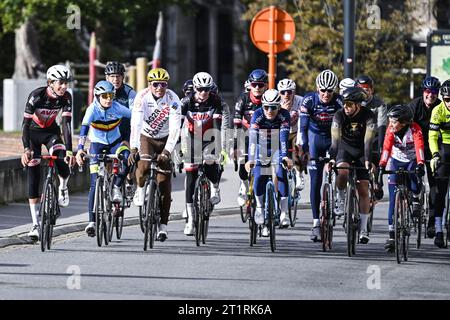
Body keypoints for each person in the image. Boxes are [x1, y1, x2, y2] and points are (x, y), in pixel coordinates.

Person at [21, 65, 75, 241]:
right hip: (33, 135)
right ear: (50, 83)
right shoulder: (36, 96)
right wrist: (26, 149)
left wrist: (69, 150)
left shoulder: (66, 97)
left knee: (61, 157)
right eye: (61, 83)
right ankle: (35, 224)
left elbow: (66, 124)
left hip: (51, 133)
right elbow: (25, 125)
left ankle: (63, 187)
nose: (64, 87)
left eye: (66, 83)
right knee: (33, 172)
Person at [128, 68, 182, 242]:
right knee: (143, 165)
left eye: (163, 84)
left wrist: (167, 151)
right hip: (147, 137)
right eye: (156, 84)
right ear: (149, 84)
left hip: (166, 138)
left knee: (164, 184)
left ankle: (163, 226)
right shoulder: (141, 97)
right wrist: (134, 148)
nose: (159, 88)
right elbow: (135, 124)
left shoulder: (173, 99)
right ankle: (141, 189)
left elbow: (175, 128)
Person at [76, 80, 132, 237]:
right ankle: (92, 222)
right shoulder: (92, 109)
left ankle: (116, 187)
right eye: (105, 96)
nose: (108, 99)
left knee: (127, 157)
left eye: (111, 95)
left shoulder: (118, 108)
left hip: (115, 142)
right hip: (97, 145)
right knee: (94, 184)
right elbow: (83, 131)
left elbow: (135, 117)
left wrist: (131, 139)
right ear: (97, 96)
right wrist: (80, 150)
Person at [180, 72, 230, 235]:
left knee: (210, 161)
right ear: (194, 88)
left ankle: (214, 186)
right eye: (200, 89)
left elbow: (222, 126)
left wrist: (223, 148)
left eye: (207, 89)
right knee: (190, 173)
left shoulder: (217, 101)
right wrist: (177, 148)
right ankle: (190, 218)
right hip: (192, 137)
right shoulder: (186, 102)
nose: (203, 92)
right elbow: (177, 126)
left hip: (211, 136)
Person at [297, 69, 342, 242]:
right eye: (322, 90)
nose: (325, 94)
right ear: (317, 88)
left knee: (340, 168)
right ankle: (316, 223)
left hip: (333, 137)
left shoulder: (339, 101)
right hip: (314, 138)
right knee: (315, 182)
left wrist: (336, 153)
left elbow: (343, 129)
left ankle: (338, 196)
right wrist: (305, 150)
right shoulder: (309, 100)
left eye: (329, 90)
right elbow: (302, 128)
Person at [329, 87, 376, 244]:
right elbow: (335, 141)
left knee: (363, 188)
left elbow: (368, 141)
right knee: (342, 171)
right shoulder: (339, 115)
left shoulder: (369, 115)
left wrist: (368, 160)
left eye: (349, 104)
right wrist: (332, 159)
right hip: (345, 148)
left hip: (363, 150)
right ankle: (341, 197)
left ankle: (363, 228)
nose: (346, 107)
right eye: (344, 104)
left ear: (358, 105)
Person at [244, 89, 293, 236]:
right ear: (262, 106)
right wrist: (250, 159)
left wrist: (285, 157)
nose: (270, 111)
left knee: (281, 172)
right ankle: (259, 207)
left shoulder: (285, 115)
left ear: (279, 106)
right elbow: (252, 140)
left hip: (278, 147)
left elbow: (284, 138)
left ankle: (283, 212)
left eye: (273, 107)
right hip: (261, 147)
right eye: (266, 107)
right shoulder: (257, 115)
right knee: (259, 176)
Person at [378, 104, 425, 251]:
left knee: (413, 176)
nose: (390, 124)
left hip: (412, 160)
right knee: (392, 199)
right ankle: (392, 235)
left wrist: (421, 163)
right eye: (390, 121)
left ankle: (416, 197)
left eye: (394, 121)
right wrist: (382, 165)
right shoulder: (391, 131)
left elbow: (419, 147)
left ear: (404, 122)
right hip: (396, 160)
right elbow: (386, 148)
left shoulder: (415, 129)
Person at [408, 76, 441, 238]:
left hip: (435, 148)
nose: (431, 95)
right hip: (417, 147)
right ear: (423, 92)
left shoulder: (441, 107)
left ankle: (432, 224)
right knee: (411, 172)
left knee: (435, 186)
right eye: (428, 91)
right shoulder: (414, 106)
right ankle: (414, 198)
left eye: (434, 92)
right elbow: (406, 128)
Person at [233, 69, 268, 207]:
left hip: (265, 134)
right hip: (245, 132)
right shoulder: (243, 99)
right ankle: (244, 184)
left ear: (266, 85)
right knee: (243, 161)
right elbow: (235, 121)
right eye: (254, 85)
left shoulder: (269, 97)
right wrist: (235, 144)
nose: (257, 88)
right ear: (250, 85)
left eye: (260, 85)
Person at [428, 79, 450, 248]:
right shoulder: (437, 110)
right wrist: (435, 154)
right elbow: (433, 137)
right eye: (447, 99)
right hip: (443, 149)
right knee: (439, 193)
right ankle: (438, 230)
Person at [277, 78, 305, 194]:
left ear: (294, 92)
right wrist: (283, 110)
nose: (286, 94)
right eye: (283, 92)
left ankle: (299, 174)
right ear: (279, 93)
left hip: (295, 131)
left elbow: (303, 120)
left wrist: (300, 137)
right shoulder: (276, 102)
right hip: (280, 132)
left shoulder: (301, 101)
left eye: (289, 91)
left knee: (297, 146)